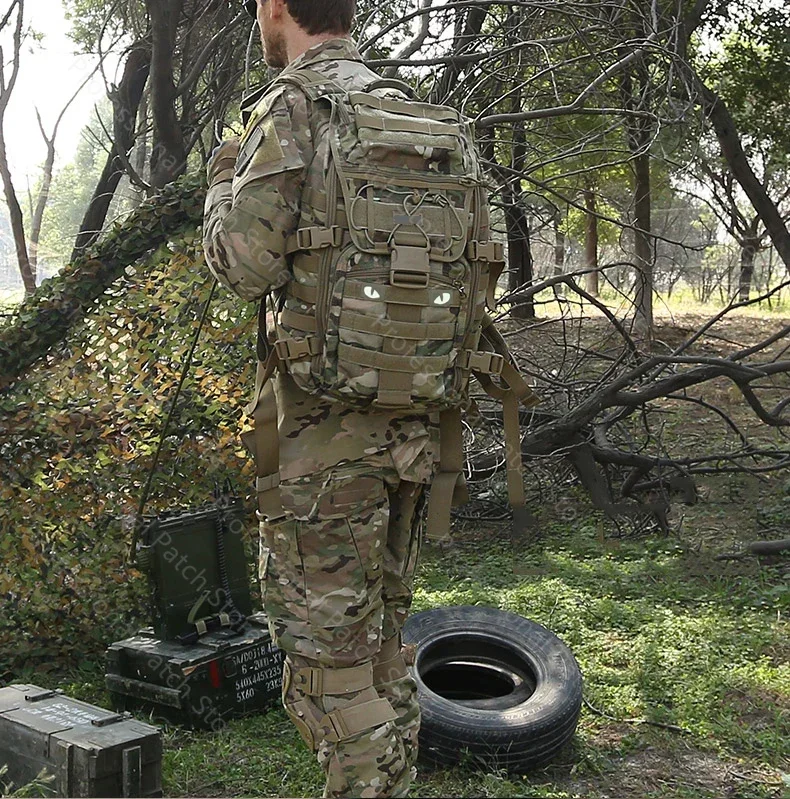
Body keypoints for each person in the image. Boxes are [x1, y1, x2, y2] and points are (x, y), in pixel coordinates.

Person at [203, 1, 440, 796]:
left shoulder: (293, 108)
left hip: (321, 445)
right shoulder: (411, 108)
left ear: (278, 9)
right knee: (380, 651)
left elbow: (242, 263)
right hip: (413, 427)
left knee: (326, 678)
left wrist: (219, 178)